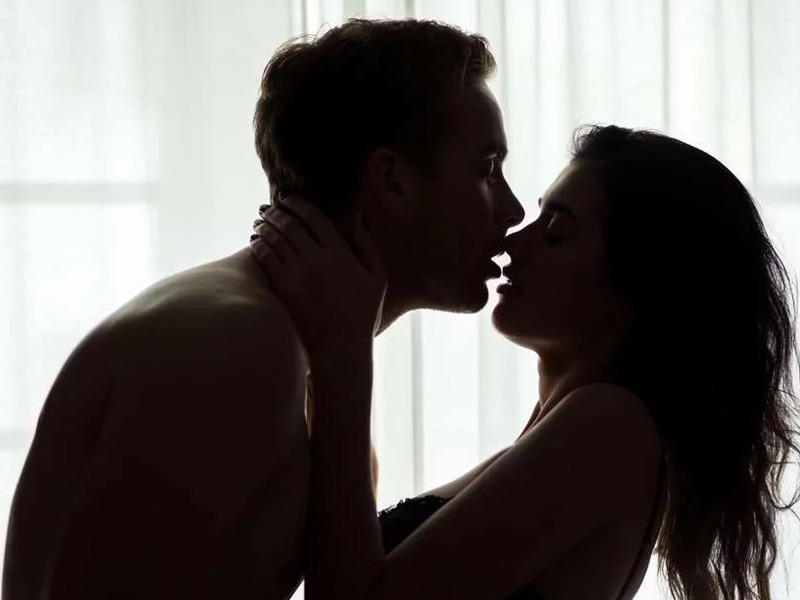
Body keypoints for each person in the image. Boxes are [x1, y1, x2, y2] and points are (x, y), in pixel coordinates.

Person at [2, 18, 522, 600]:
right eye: (486, 169)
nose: (514, 208)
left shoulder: (293, 351)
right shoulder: (243, 344)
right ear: (391, 180)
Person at [251, 125, 800, 600]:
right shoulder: (576, 432)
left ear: (638, 284)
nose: (515, 242)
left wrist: (344, 354)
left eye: (556, 230)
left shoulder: (609, 426)